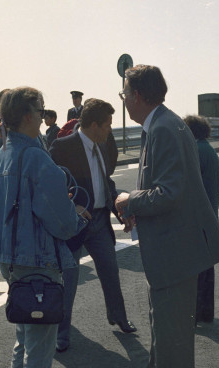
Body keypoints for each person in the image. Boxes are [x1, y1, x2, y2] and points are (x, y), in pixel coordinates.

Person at [115, 65, 219, 368]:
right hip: (172, 247)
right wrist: (137, 211)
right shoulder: (164, 123)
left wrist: (128, 200)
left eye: (124, 93)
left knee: (174, 338)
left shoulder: (163, 128)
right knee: (161, 330)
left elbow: (168, 193)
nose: (123, 99)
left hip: (176, 251)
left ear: (138, 95)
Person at [0, 86, 83, 368]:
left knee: (23, 345)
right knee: (39, 352)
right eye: (39, 109)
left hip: (10, 262)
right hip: (39, 261)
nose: (43, 114)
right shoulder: (38, 161)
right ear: (27, 115)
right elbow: (62, 222)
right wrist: (74, 215)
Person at [50, 98, 136, 352]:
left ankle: (119, 317)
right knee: (70, 279)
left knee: (110, 271)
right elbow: (52, 185)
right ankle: (61, 333)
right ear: (95, 125)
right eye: (108, 124)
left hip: (99, 221)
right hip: (74, 223)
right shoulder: (62, 147)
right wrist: (70, 206)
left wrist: (118, 209)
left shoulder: (104, 144)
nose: (111, 129)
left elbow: (105, 182)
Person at [184, 115, 219, 324]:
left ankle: (196, 313)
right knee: (206, 268)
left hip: (198, 218)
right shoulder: (208, 149)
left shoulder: (196, 151)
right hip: (210, 215)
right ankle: (205, 313)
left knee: (196, 269)